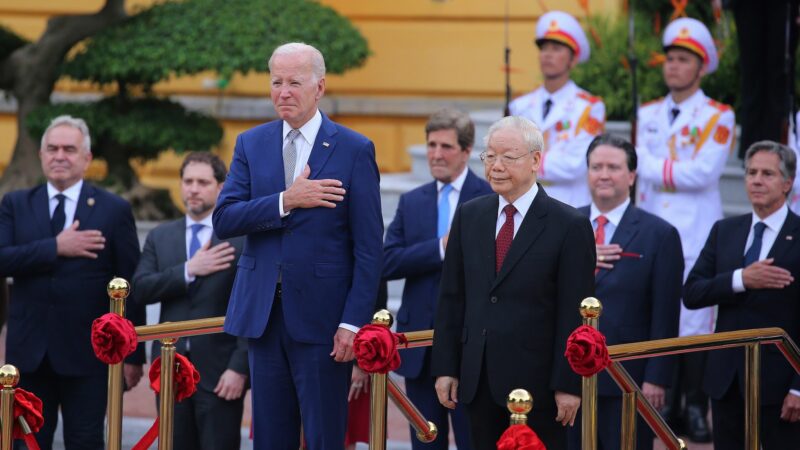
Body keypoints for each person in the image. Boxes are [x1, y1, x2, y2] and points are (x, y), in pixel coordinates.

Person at [212, 42, 383, 450]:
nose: (283, 92)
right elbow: (224, 219)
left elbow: (368, 248)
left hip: (324, 323)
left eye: (294, 82)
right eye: (276, 82)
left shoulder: (354, 148)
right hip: (263, 318)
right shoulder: (251, 144)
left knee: (325, 436)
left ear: (319, 87)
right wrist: (287, 199)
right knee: (270, 438)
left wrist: (352, 323)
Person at [431, 116, 595, 449]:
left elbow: (573, 314)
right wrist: (446, 367)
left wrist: (568, 384)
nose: (496, 166)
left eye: (508, 156)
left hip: (539, 388)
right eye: (490, 156)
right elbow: (452, 298)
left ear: (536, 160)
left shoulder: (569, 225)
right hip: (478, 380)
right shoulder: (470, 215)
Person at [0, 115, 144, 450]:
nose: (59, 156)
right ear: (41, 154)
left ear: (87, 158)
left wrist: (133, 355)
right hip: (29, 354)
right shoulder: (16, 204)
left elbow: (130, 282)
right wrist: (55, 247)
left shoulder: (113, 209)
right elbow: (3, 258)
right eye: (52, 148)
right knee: (26, 443)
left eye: (69, 149)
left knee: (85, 441)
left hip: (88, 355)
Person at [636, 17, 735, 442]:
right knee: (658, 310)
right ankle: (666, 400)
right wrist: (661, 170)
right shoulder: (647, 112)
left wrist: (650, 165)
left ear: (701, 67)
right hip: (654, 222)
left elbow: (703, 173)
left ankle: (693, 405)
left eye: (683, 60)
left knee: (693, 318)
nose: (673, 67)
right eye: (670, 59)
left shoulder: (718, 114)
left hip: (695, 228)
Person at [384, 108, 491, 450]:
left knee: (474, 440)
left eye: (445, 146)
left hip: (469, 347)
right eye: (431, 145)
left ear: (466, 150)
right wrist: (439, 248)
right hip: (420, 348)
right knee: (425, 442)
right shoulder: (412, 202)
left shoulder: (490, 199)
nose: (436, 154)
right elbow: (386, 262)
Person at [567, 134, 683, 450]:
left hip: (627, 379)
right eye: (596, 166)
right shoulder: (563, 224)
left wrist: (657, 376)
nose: (604, 174)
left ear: (631, 176)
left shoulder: (659, 234)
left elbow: (665, 312)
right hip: (569, 380)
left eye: (613, 167)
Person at [684, 140, 800, 449]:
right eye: (750, 172)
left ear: (787, 183)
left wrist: (799, 389)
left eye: (767, 173)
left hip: (781, 384)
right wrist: (740, 279)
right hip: (727, 381)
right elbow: (692, 293)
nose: (756, 180)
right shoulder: (725, 230)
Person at [133, 152, 248, 450]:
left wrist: (240, 367)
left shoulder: (241, 239)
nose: (193, 189)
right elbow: (141, 289)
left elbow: (252, 306)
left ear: (221, 187)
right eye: (188, 181)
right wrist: (188, 270)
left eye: (202, 182)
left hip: (221, 375)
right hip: (169, 372)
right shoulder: (160, 236)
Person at [509, 10, 605, 208]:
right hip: (524, 203)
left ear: (573, 59)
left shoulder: (588, 107)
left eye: (556, 49)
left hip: (569, 204)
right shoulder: (520, 105)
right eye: (544, 48)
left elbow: (575, 165)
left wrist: (524, 161)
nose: (548, 55)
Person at [725, 0, 799, 158]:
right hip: (748, 6)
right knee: (751, 74)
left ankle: (775, 151)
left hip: (784, 6)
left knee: (780, 74)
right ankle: (751, 153)